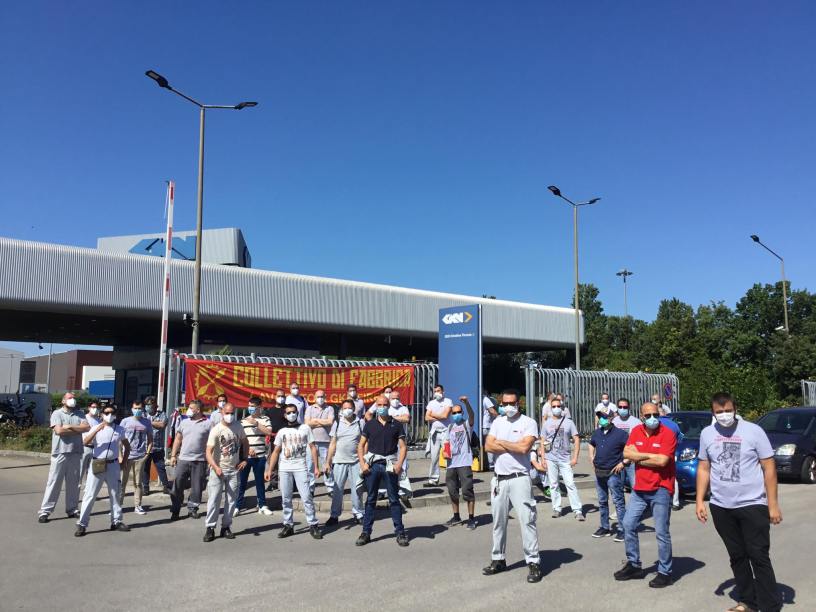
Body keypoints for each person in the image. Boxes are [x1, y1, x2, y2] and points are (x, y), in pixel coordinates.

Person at [696, 392, 783, 612]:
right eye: (719, 412)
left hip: (752, 504)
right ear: (713, 413)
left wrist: (773, 505)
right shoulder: (707, 434)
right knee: (737, 556)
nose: (724, 415)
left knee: (758, 555)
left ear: (735, 409)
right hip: (721, 506)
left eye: (728, 410)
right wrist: (699, 500)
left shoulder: (753, 431)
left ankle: (770, 605)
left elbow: (769, 467)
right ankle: (748, 602)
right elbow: (704, 468)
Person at [615, 402, 677, 588]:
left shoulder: (668, 433)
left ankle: (665, 572)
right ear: (641, 416)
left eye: (655, 415)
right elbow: (626, 453)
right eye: (648, 415)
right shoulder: (636, 431)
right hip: (640, 489)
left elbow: (662, 461)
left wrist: (638, 456)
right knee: (628, 524)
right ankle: (634, 565)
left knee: (661, 532)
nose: (653, 418)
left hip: (661, 489)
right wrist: (649, 456)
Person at [482, 389, 541, 583]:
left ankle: (533, 561)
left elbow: (524, 448)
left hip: (519, 478)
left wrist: (502, 443)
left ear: (518, 404)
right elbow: (488, 446)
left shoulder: (528, 423)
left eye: (511, 403)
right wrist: (512, 444)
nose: (508, 407)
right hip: (499, 479)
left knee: (527, 520)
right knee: (498, 521)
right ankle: (498, 558)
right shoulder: (497, 422)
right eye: (505, 403)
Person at [355, 395, 409, 547]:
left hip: (390, 466)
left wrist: (399, 464)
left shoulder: (396, 424)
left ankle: (400, 532)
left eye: (385, 404)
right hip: (373, 466)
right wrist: (362, 464)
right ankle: (366, 532)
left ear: (389, 406)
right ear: (376, 406)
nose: (382, 407)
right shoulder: (370, 424)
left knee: (394, 500)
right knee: (371, 499)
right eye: (379, 405)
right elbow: (361, 445)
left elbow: (403, 447)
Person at [264, 404, 323, 539]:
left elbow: (313, 448)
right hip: (285, 468)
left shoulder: (305, 428)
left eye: (294, 412)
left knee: (307, 497)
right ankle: (288, 525)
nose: (292, 414)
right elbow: (276, 451)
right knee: (286, 498)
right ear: (285, 415)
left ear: (297, 413)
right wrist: (270, 470)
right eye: (289, 412)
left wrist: (316, 467)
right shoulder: (282, 431)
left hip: (301, 467)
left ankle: (313, 524)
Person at [74, 405, 131, 536]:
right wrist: (97, 430)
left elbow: (127, 447)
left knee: (115, 493)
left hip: (113, 464)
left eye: (112, 413)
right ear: (102, 414)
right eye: (106, 412)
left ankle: (116, 521)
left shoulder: (120, 429)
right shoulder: (96, 427)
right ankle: (82, 524)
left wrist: (123, 462)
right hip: (98, 463)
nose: (109, 415)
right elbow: (85, 441)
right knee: (90, 494)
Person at [38, 393, 90, 523]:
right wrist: (77, 430)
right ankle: (45, 511)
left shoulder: (79, 413)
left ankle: (72, 509)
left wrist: (70, 427)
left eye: (73, 398)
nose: (72, 400)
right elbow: (59, 431)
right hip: (60, 453)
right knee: (54, 482)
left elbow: (87, 428)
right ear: (63, 401)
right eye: (69, 398)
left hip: (75, 452)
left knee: (73, 483)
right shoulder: (57, 413)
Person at [203, 403, 249, 542]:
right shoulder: (216, 429)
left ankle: (226, 527)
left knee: (231, 500)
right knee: (214, 499)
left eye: (232, 413)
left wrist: (245, 459)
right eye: (227, 413)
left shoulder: (238, 426)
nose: (230, 415)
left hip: (233, 470)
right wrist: (215, 466)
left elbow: (245, 442)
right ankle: (210, 528)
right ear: (222, 413)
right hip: (218, 470)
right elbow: (208, 452)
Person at [589, 406, 629, 541]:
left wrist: (623, 463)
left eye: (604, 417)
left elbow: (631, 449)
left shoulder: (621, 434)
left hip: (613, 472)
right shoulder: (597, 433)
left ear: (611, 418)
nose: (602, 419)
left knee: (618, 501)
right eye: (600, 416)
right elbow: (591, 444)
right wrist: (591, 457)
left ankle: (623, 529)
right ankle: (605, 527)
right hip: (599, 472)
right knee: (602, 501)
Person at [541, 397, 584, 521]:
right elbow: (542, 441)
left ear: (562, 408)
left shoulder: (569, 422)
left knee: (570, 484)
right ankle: (557, 508)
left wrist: (575, 457)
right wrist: (543, 458)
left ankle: (577, 510)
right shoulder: (547, 423)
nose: (556, 408)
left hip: (565, 459)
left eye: (558, 406)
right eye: (554, 406)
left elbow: (576, 439)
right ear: (550, 408)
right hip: (550, 458)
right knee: (553, 484)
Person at [169, 400, 213, 520]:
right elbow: (178, 439)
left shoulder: (208, 423)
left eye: (191, 408)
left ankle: (193, 509)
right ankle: (175, 509)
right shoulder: (184, 422)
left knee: (197, 487)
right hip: (183, 459)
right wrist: (173, 456)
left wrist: (211, 460)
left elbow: (212, 443)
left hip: (200, 460)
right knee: (177, 485)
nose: (188, 410)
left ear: (198, 410)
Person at [325, 399, 364, 526]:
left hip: (356, 462)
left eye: (349, 408)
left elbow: (364, 443)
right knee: (337, 490)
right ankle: (334, 515)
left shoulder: (360, 423)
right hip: (339, 462)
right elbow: (332, 443)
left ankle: (358, 513)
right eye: (345, 408)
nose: (347, 410)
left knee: (357, 489)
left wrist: (364, 460)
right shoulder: (337, 423)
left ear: (354, 409)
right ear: (341, 410)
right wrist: (328, 462)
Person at [236, 396, 273, 516]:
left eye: (253, 406)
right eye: (249, 406)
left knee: (260, 482)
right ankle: (237, 506)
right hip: (246, 457)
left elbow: (269, 432)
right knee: (242, 482)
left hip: (260, 456)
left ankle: (262, 505)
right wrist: (247, 449)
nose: (250, 408)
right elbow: (239, 438)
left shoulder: (265, 419)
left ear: (259, 407)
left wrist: (256, 423)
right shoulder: (243, 421)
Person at [444, 400, 477, 530]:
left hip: (464, 463)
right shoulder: (450, 427)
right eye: (454, 413)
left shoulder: (466, 425)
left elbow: (472, 415)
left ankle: (471, 518)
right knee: (452, 491)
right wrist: (445, 452)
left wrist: (467, 403)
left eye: (458, 412)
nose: (456, 414)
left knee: (467, 490)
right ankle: (456, 516)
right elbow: (446, 443)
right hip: (451, 464)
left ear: (462, 413)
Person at [118, 401, 153, 515]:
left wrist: (147, 454)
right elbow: (119, 439)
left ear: (143, 409)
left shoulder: (147, 422)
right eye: (135, 408)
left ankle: (138, 506)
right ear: (132, 409)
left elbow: (150, 439)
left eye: (139, 408)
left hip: (140, 456)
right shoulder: (125, 421)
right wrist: (120, 455)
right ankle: (118, 506)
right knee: (121, 482)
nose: (137, 410)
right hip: (126, 456)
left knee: (138, 483)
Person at [304, 389, 335, 496]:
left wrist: (315, 420)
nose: (320, 399)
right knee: (310, 466)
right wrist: (323, 422)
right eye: (318, 396)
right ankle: (311, 488)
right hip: (311, 442)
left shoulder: (330, 408)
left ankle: (330, 488)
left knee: (327, 465)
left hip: (325, 441)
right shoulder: (309, 408)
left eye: (322, 396)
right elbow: (307, 423)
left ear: (325, 397)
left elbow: (330, 422)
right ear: (314, 397)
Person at [388, 390, 413, 506]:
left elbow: (407, 419)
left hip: (401, 440)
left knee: (402, 465)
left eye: (397, 398)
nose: (395, 400)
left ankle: (403, 492)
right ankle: (384, 491)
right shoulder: (387, 408)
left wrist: (393, 418)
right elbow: (384, 419)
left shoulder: (403, 408)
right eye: (393, 398)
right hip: (389, 441)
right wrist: (399, 417)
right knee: (387, 465)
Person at [424, 384, 452, 486]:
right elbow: (426, 417)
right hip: (435, 434)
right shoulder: (431, 403)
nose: (437, 393)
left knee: (448, 456)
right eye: (435, 391)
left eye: (438, 391)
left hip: (446, 433)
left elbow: (445, 416)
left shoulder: (448, 401)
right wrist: (438, 416)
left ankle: (451, 479)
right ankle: (433, 480)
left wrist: (432, 414)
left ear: (443, 392)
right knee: (434, 457)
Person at [142, 396, 170, 495]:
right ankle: (145, 488)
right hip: (145, 447)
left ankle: (166, 486)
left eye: (149, 404)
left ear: (155, 405)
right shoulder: (143, 414)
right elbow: (139, 424)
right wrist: (154, 423)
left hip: (157, 447)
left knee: (161, 467)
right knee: (145, 468)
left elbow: (162, 425)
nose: (147, 406)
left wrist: (148, 422)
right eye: (146, 404)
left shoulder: (162, 414)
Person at [657, 405, 683, 510]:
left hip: (656, 454)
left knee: (657, 477)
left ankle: (659, 501)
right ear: (665, 413)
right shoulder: (674, 424)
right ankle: (675, 502)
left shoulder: (655, 423)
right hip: (671, 454)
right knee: (672, 477)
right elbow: (680, 438)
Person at [264, 390, 288, 491]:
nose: (281, 398)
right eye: (279, 396)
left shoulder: (288, 409)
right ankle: (273, 483)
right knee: (272, 461)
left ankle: (288, 483)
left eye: (283, 396)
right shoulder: (270, 411)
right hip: (273, 439)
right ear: (275, 397)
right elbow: (266, 425)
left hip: (286, 439)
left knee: (286, 461)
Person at [612, 398, 637, 489]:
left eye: (625, 407)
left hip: (632, 458)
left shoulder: (636, 422)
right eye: (620, 407)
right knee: (617, 487)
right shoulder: (613, 421)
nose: (622, 409)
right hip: (616, 459)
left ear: (629, 407)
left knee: (635, 486)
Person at [79, 402, 102, 488]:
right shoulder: (83, 418)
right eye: (93, 407)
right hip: (84, 447)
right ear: (89, 408)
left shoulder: (99, 420)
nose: (95, 409)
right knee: (81, 469)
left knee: (91, 470)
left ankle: (88, 487)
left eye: (97, 407)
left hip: (95, 447)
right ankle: (77, 485)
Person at [482, 391, 498, 469]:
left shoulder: (478, 398)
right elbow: (492, 411)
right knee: (490, 445)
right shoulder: (485, 399)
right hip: (487, 426)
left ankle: (485, 464)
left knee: (483, 445)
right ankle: (491, 464)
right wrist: (501, 418)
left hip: (481, 426)